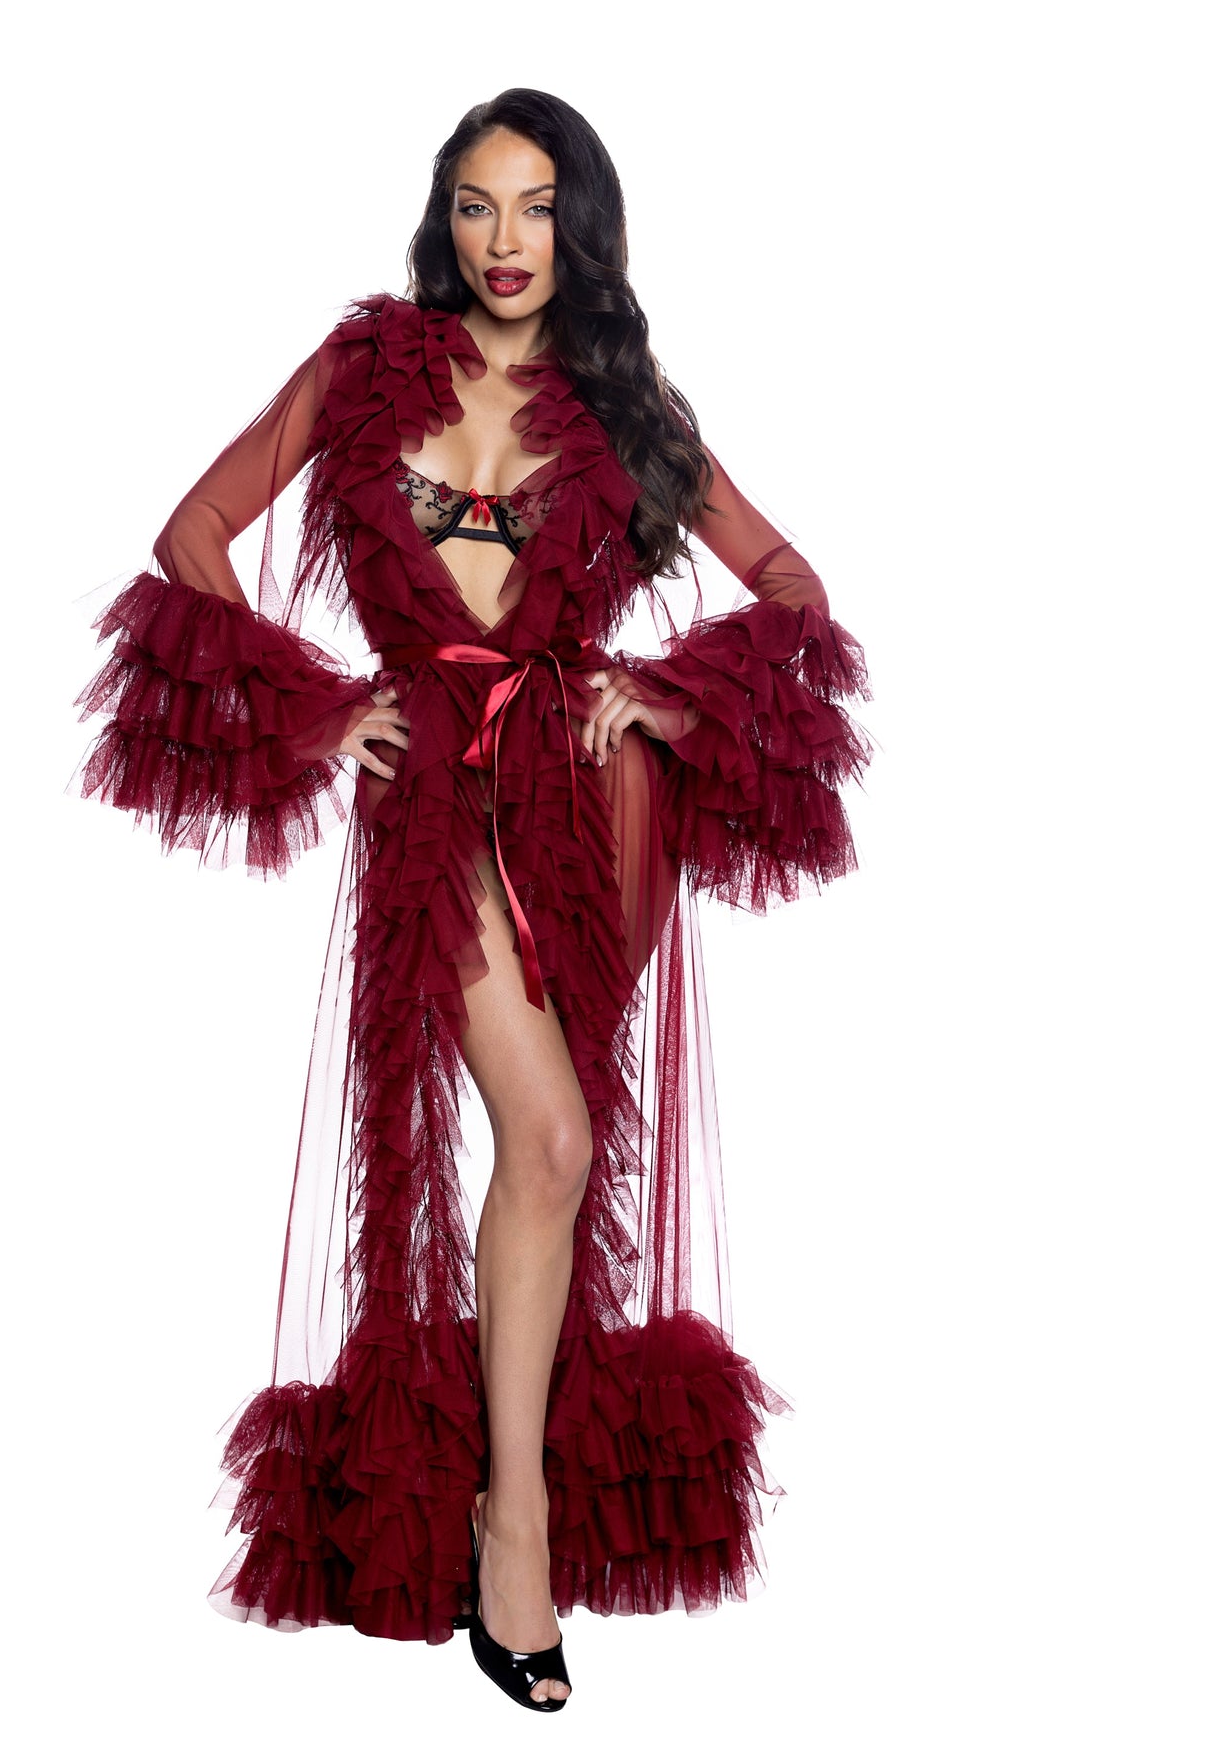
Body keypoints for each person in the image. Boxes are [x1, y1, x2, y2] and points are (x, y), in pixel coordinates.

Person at [71, 87, 873, 1712]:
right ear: (443, 219)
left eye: (538, 206)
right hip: (435, 799)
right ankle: (515, 1531)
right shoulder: (364, 366)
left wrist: (665, 695)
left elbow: (795, 585)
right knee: (554, 1139)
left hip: (589, 812)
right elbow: (193, 533)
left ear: (584, 225)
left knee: (551, 1154)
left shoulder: (625, 402)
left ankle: (518, 1507)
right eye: (477, 204)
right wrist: (319, 708)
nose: (506, 240)